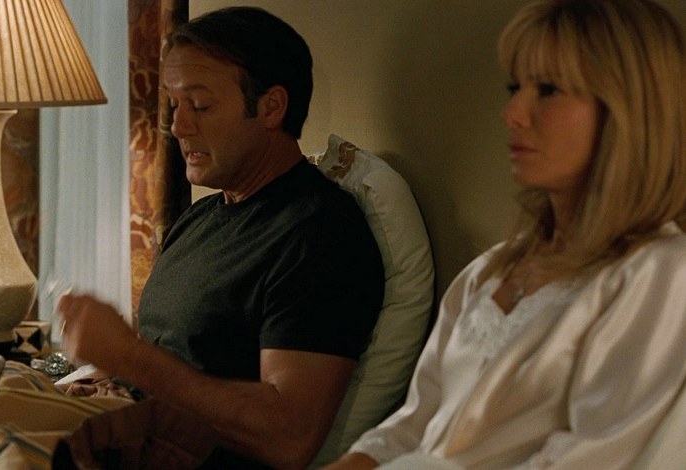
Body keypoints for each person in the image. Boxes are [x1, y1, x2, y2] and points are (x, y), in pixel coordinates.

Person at [324, 0, 686, 468]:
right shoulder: (490, 270)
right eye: (516, 88)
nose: (512, 112)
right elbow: (413, 425)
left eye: (549, 90)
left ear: (630, 110)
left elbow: (598, 455)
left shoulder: (659, 273)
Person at [57, 6, 385, 469]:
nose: (178, 127)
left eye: (200, 105)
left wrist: (129, 356)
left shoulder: (319, 234)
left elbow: (288, 435)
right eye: (175, 105)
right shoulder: (200, 219)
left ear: (271, 107)